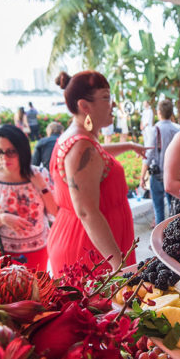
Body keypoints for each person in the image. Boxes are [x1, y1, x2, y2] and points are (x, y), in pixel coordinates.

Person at [47, 70, 147, 274]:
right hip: (90, 249)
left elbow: (96, 154)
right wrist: (119, 264)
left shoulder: (81, 140)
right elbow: (86, 212)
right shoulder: (81, 146)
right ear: (84, 106)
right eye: (106, 98)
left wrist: (128, 145)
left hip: (89, 241)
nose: (112, 105)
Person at [0, 124, 57, 270]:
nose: (4, 157)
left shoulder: (40, 174)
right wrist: (2, 218)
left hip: (36, 253)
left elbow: (55, 212)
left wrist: (42, 186)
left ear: (22, 151)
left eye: (11, 152)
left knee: (37, 291)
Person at [140, 98, 180, 224]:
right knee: (174, 212)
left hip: (157, 175)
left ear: (159, 112)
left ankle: (159, 240)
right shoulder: (178, 130)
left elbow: (149, 154)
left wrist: (142, 176)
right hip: (174, 176)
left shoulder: (154, 130)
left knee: (159, 211)